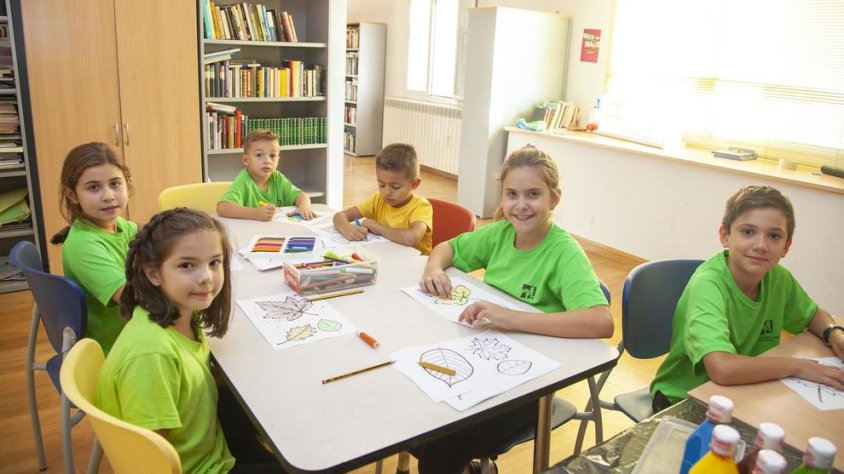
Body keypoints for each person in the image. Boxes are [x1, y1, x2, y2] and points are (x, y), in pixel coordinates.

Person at [415, 145, 613, 474]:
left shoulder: (564, 252)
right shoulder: (501, 234)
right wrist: (433, 269)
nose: (521, 206)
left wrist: (509, 318)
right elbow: (446, 248)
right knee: (416, 422)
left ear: (554, 198)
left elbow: (601, 321)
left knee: (438, 447)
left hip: (529, 386)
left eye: (533, 194)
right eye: (512, 194)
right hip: (481, 362)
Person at [97, 208, 281, 474]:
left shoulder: (179, 314)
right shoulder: (151, 355)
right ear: (154, 274)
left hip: (212, 447)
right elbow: (148, 462)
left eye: (214, 262)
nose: (206, 276)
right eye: (186, 265)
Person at [650, 185, 844, 412]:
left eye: (774, 236)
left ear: (786, 246)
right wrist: (797, 366)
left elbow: (812, 314)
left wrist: (834, 333)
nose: (761, 246)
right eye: (748, 232)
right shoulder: (708, 285)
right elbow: (722, 368)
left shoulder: (778, 278)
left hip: (743, 392)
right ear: (725, 236)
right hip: (685, 400)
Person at [52, 142, 137, 354]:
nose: (108, 195)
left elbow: (149, 231)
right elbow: (133, 300)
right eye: (93, 187)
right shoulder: (83, 245)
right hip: (117, 349)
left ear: (127, 183)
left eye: (115, 184)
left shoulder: (117, 225)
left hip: (135, 333)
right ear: (72, 195)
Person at [333, 143, 434, 254]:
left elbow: (411, 238)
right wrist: (347, 228)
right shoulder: (378, 199)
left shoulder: (421, 207)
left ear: (414, 184)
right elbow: (339, 216)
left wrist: (379, 228)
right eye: (381, 184)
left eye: (395, 187)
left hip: (416, 265)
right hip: (386, 257)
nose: (386, 192)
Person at [217, 129, 316, 221]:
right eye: (259, 155)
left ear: (278, 159)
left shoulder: (278, 178)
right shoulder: (244, 180)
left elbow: (302, 196)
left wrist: (304, 207)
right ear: (246, 160)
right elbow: (222, 207)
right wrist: (255, 213)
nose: (267, 161)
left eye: (272, 156)